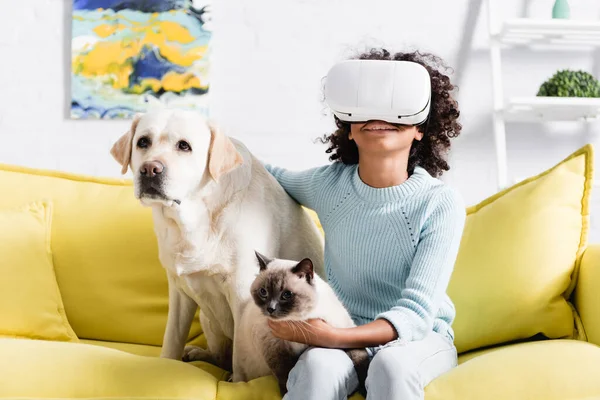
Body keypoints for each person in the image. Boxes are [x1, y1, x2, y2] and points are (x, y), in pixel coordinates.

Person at [263, 48, 466, 400]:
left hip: (418, 339)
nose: (379, 116)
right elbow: (266, 175)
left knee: (393, 366)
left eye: (397, 108)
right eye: (366, 108)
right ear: (350, 130)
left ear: (421, 129)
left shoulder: (439, 203)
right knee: (316, 369)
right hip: (344, 327)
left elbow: (415, 316)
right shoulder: (328, 186)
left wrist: (334, 337)